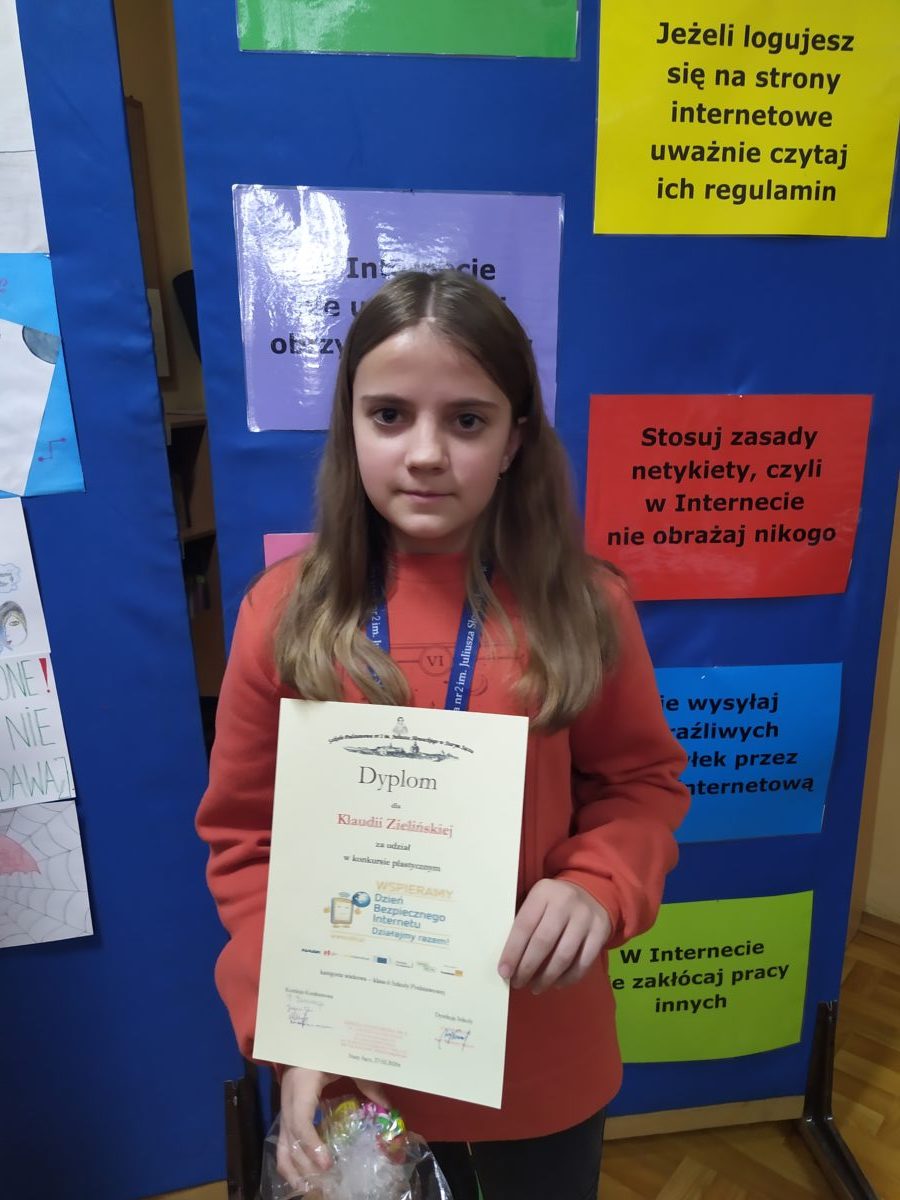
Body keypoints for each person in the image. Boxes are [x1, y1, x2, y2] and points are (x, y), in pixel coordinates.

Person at [196, 270, 689, 1199]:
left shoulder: (584, 608)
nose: (425, 453)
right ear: (350, 426)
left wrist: (597, 883)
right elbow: (247, 843)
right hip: (352, 1067)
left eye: (467, 420)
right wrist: (289, 1031)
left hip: (536, 1061)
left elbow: (640, 786)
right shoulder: (285, 616)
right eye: (389, 415)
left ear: (515, 440)